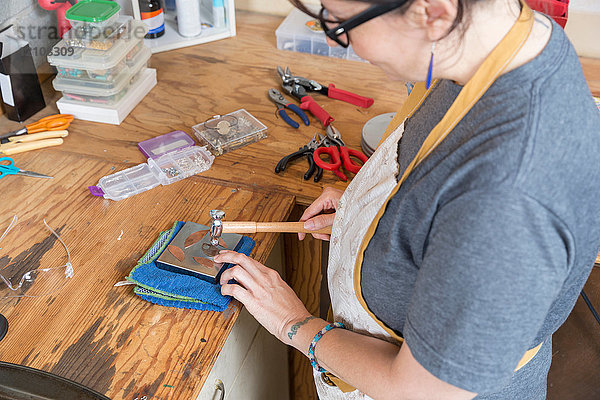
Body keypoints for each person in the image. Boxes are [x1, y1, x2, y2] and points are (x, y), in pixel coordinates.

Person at [214, 0, 600, 398]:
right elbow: (446, 194)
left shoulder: (509, 195)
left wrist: (292, 324)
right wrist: (384, 222)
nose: (346, 44)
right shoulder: (503, 37)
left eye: (341, 23)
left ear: (432, 12)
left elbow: (422, 390)